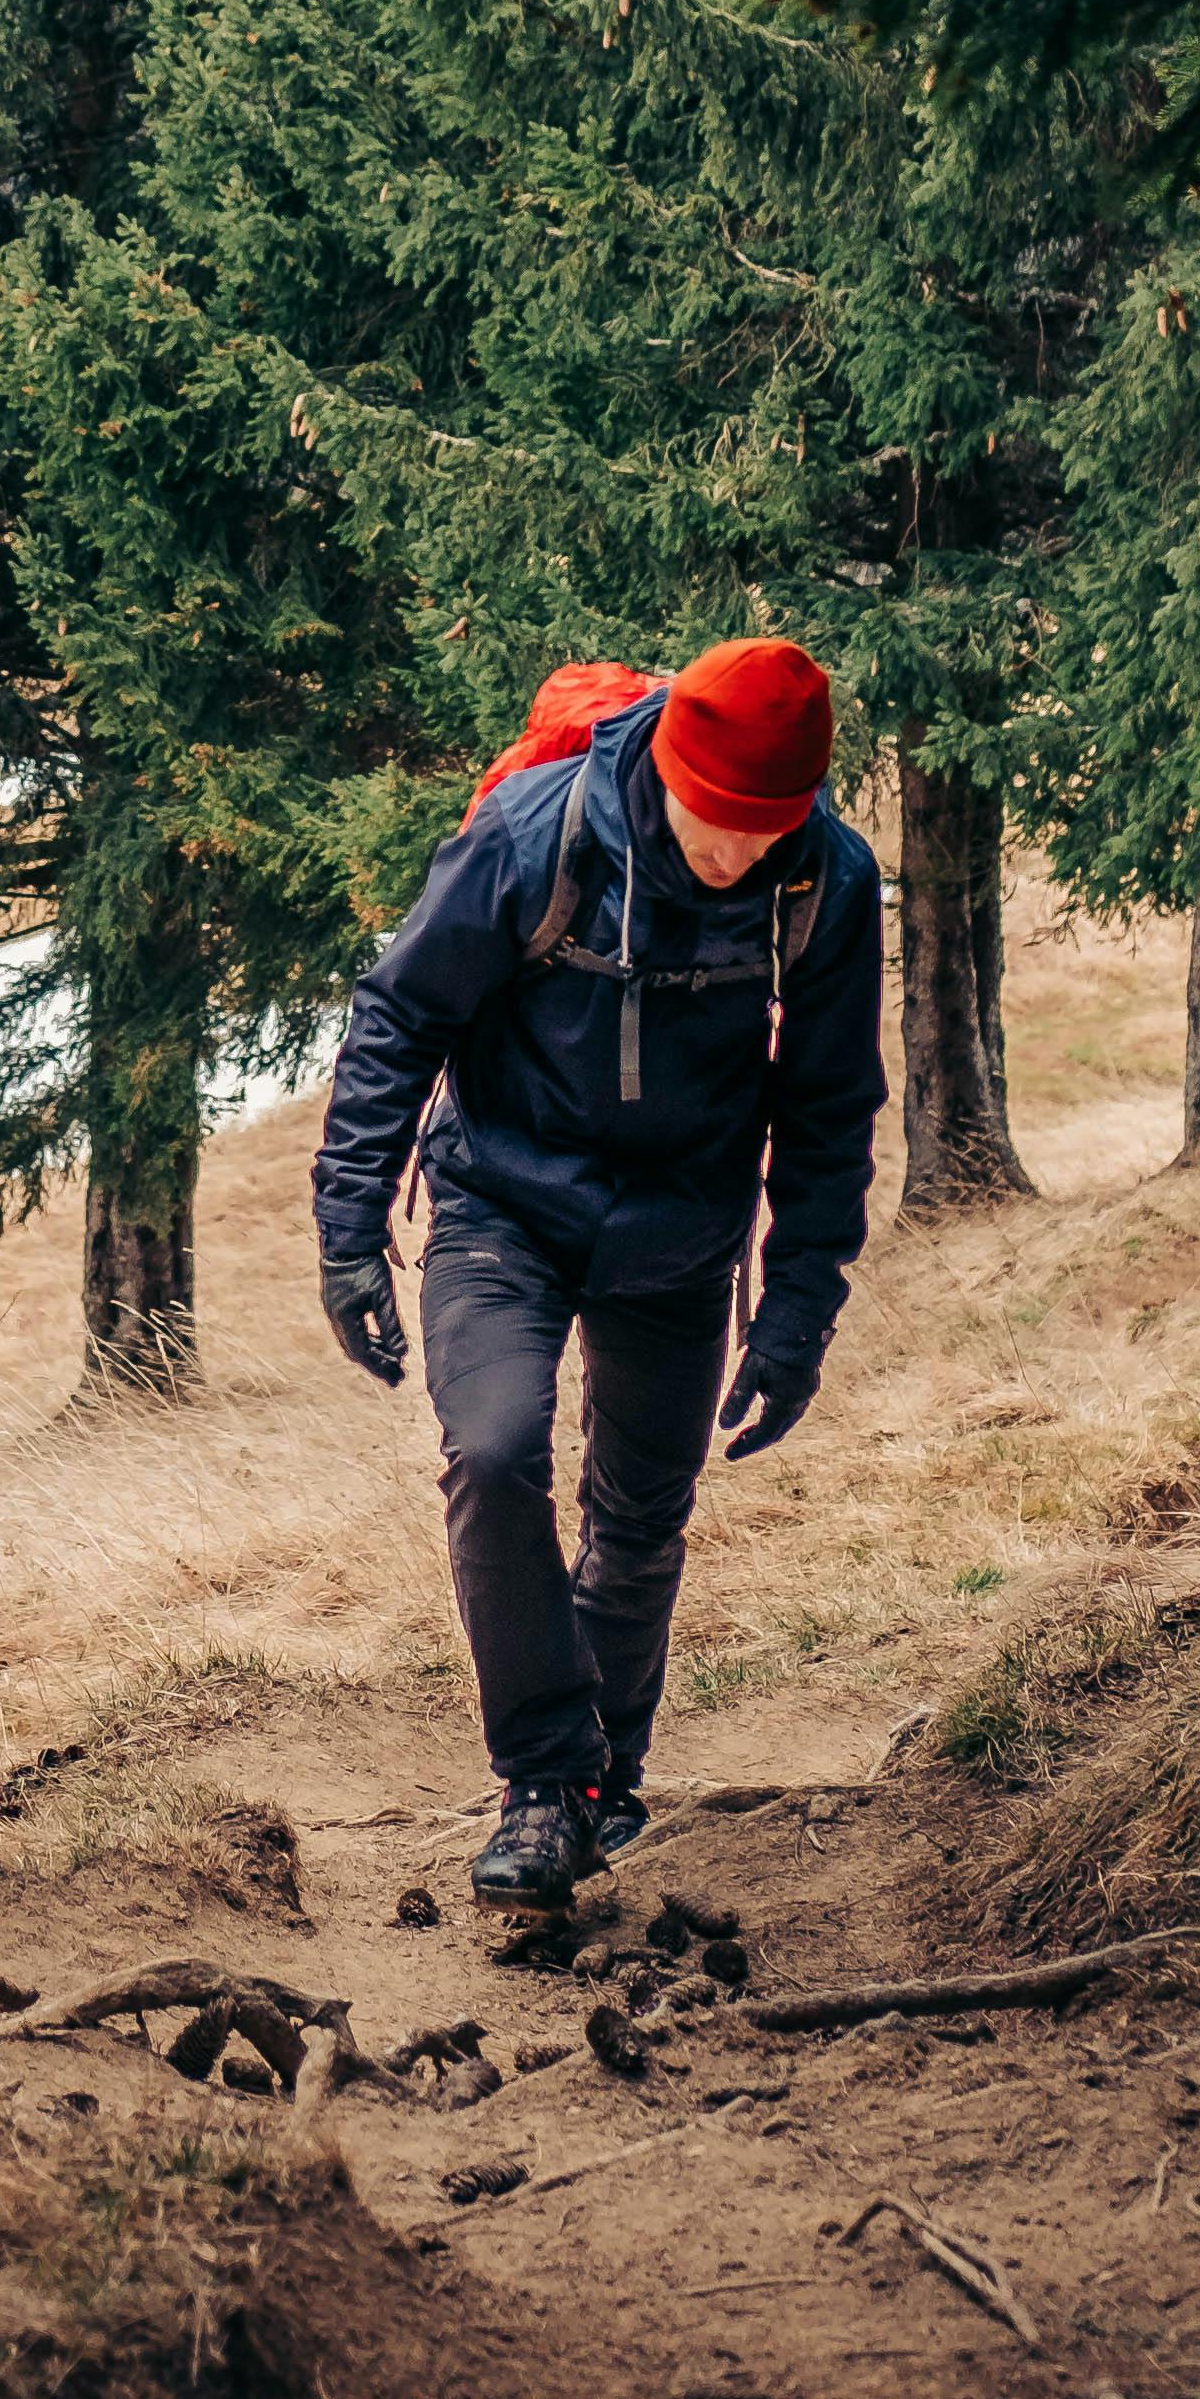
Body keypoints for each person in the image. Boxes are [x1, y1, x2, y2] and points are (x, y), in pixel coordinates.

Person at [312, 635, 887, 1900]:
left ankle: (598, 1783)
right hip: (499, 1203)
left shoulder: (827, 881)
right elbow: (400, 1014)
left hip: (681, 1232)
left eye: (765, 827)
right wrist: (349, 1228)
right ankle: (542, 1782)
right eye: (714, 819)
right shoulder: (535, 835)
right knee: (496, 1449)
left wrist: (796, 1313)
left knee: (638, 1513)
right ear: (669, 767)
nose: (734, 852)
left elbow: (831, 1108)